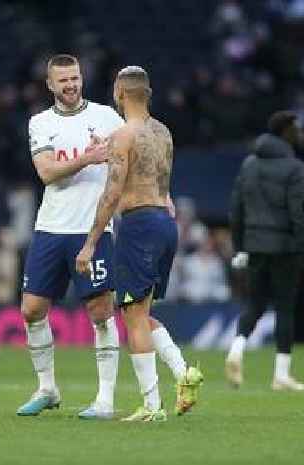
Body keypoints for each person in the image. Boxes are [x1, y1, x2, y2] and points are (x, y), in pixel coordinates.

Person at [17, 55, 190, 420]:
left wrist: (163, 193)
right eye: (62, 80)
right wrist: (87, 157)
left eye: (75, 78)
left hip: (94, 226)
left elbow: (141, 153)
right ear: (49, 85)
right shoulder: (40, 122)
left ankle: (105, 400)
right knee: (31, 309)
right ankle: (47, 388)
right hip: (51, 226)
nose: (70, 85)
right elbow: (47, 172)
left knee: (101, 312)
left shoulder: (107, 117)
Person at [76, 66, 204, 422]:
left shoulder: (122, 135)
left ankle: (151, 406)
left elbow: (111, 192)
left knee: (132, 317)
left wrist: (90, 243)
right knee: (140, 313)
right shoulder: (163, 132)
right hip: (165, 223)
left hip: (138, 226)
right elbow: (160, 181)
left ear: (119, 93)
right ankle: (183, 372)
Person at [225, 111, 304, 391]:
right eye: (296, 128)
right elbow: (298, 216)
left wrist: (239, 247)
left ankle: (236, 350)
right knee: (285, 309)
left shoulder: (249, 164)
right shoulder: (294, 168)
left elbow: (236, 211)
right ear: (286, 132)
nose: (300, 132)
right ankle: (281, 374)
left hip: (254, 246)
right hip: (285, 248)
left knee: (255, 304)